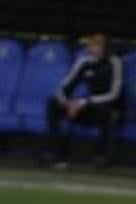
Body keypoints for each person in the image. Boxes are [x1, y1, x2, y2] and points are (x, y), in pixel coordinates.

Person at [45, 32, 123, 168]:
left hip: (104, 105)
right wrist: (68, 103)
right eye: (92, 43)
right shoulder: (84, 61)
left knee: (105, 112)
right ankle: (57, 154)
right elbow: (64, 87)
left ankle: (101, 156)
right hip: (84, 107)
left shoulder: (115, 62)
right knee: (52, 103)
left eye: (98, 44)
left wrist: (83, 102)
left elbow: (114, 94)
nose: (93, 47)